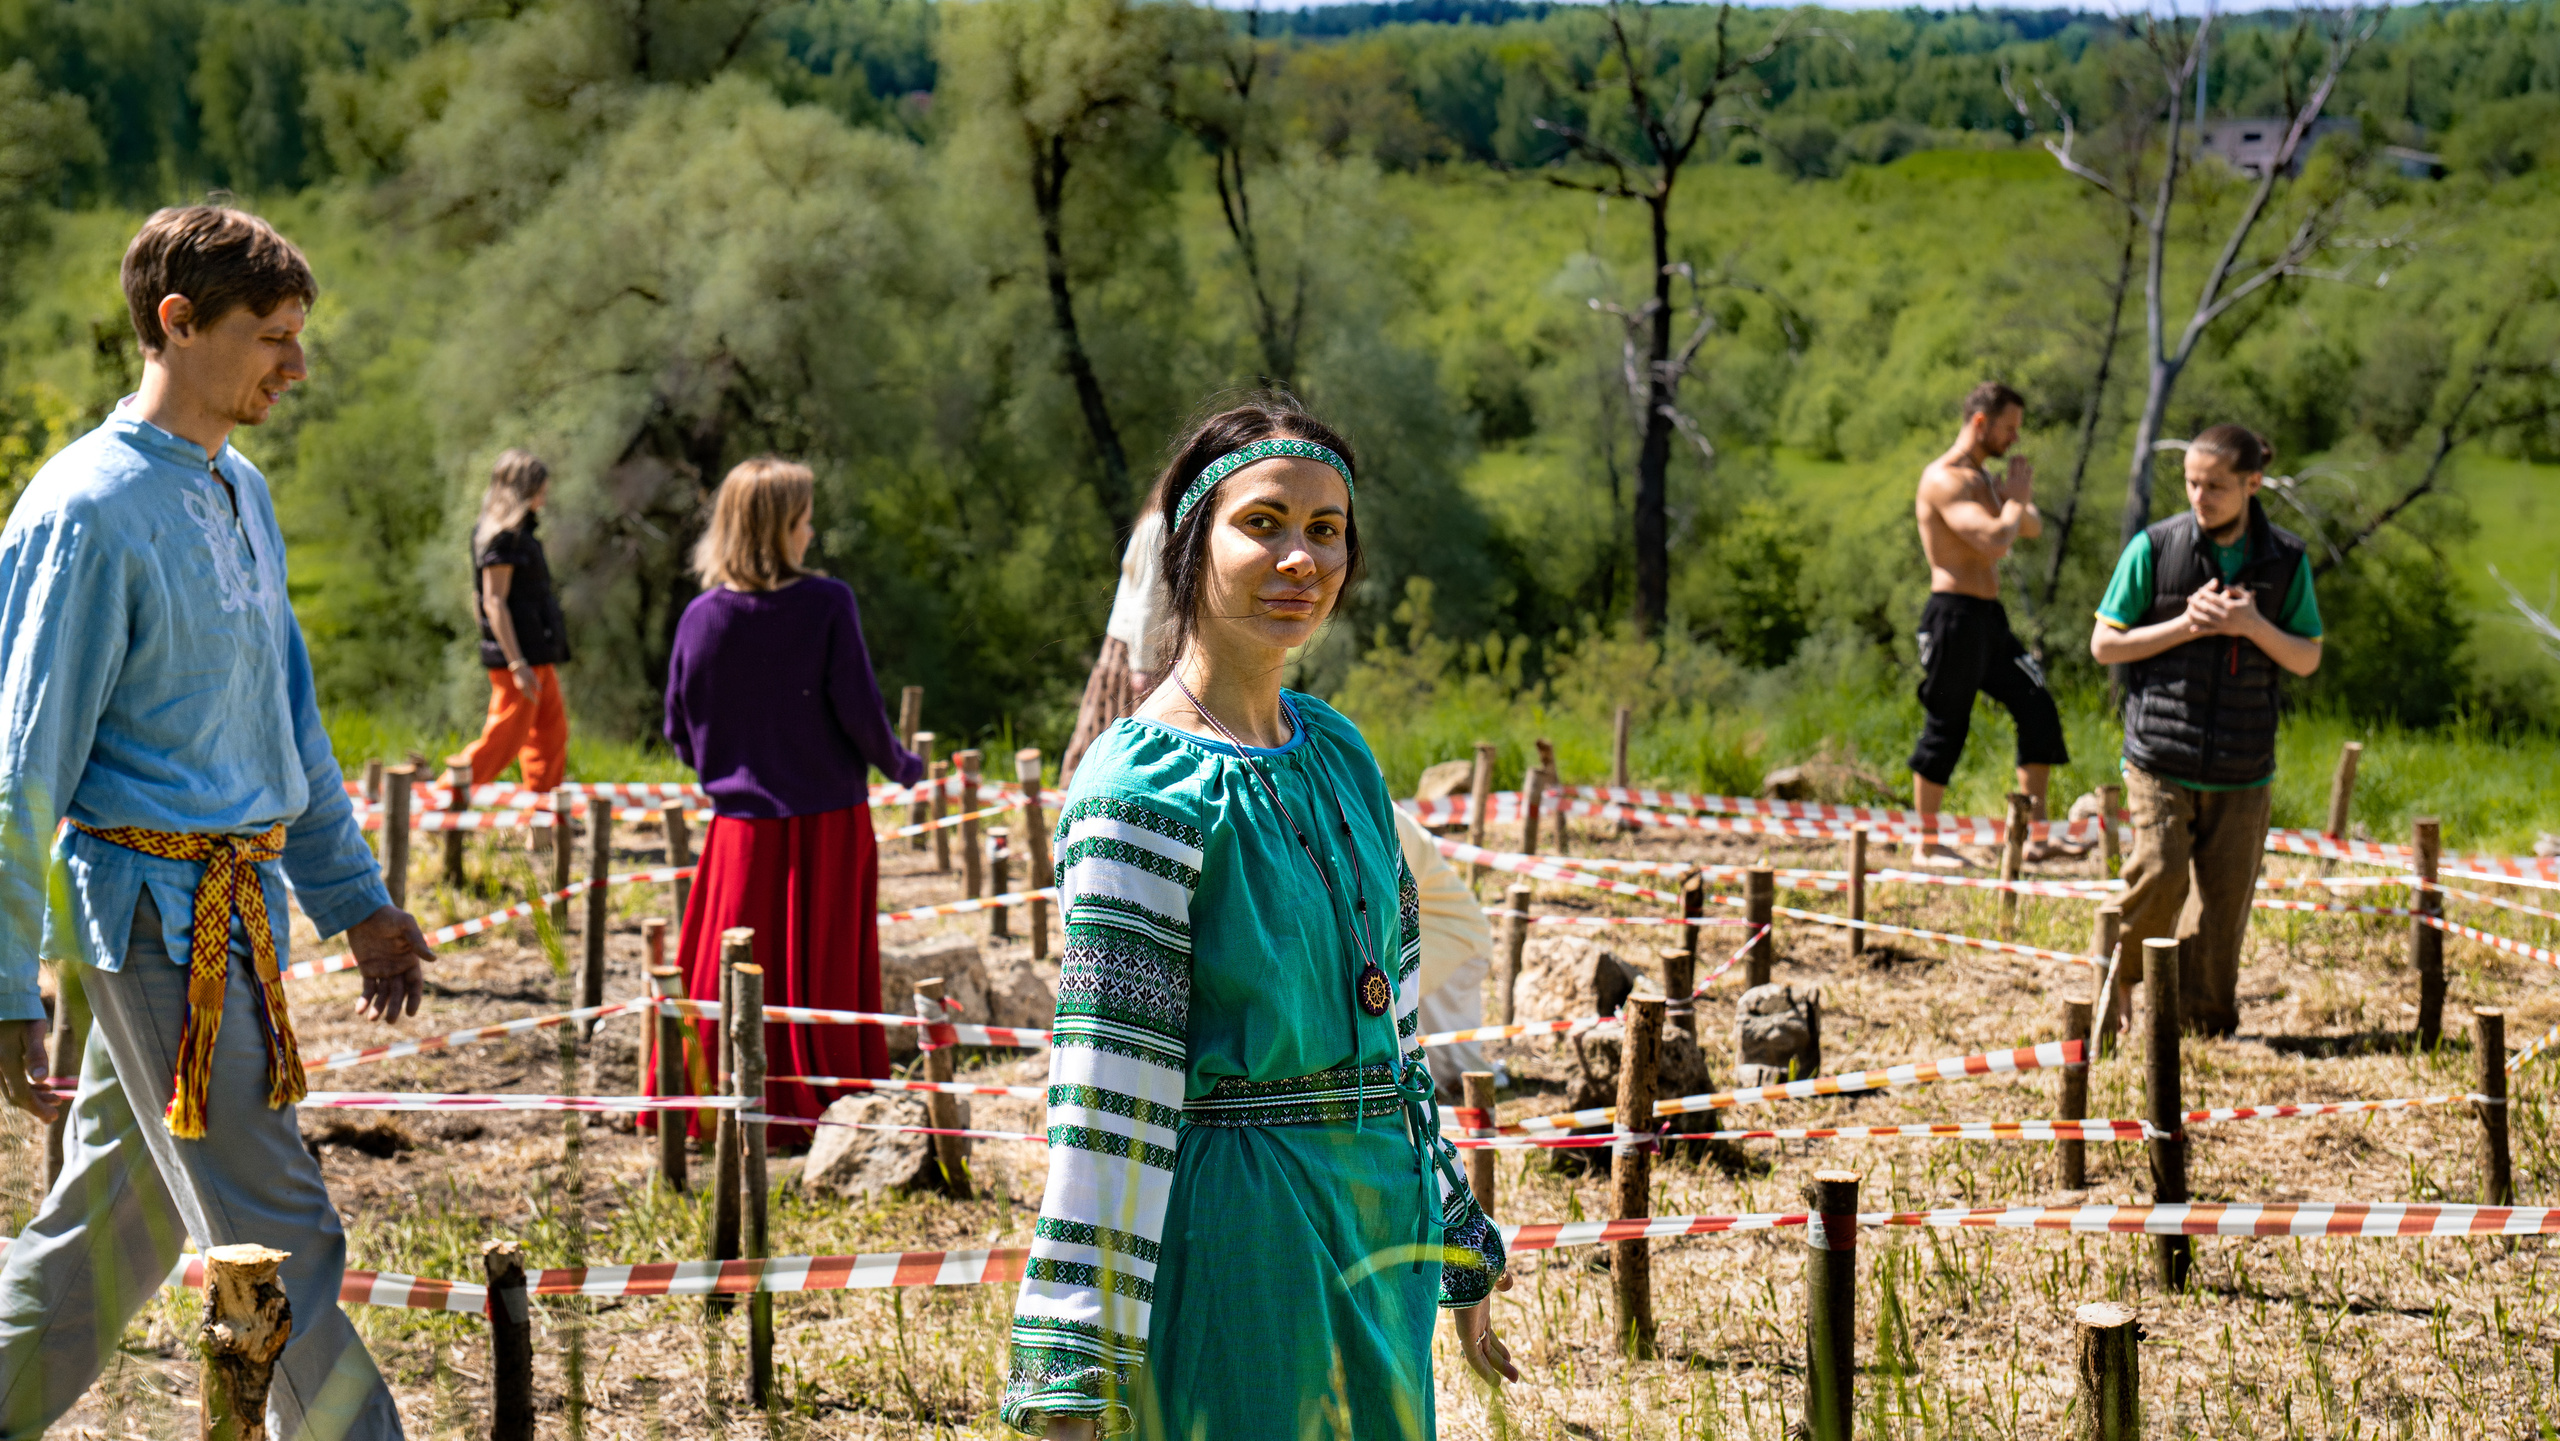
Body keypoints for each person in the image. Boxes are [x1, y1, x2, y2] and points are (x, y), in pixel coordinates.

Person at [0, 204, 435, 1438]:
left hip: (243, 916)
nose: (295, 365)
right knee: (284, 1232)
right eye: (269, 336)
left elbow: (283, 730)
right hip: (150, 928)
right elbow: (19, 770)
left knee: (106, 1238)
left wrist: (357, 902)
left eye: (299, 336)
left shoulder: (239, 488)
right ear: (176, 325)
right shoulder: (84, 510)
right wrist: (2, 982)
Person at [1002, 397, 1512, 1440]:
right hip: (1245, 1239)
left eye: (1327, 529)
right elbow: (1110, 1095)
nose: (1301, 557)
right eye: (1264, 522)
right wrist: (1074, 1376)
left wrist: (1453, 1236)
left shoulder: (1340, 755)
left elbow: (1395, 1029)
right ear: (1192, 549)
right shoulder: (1138, 789)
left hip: (1382, 1232)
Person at [657, 457, 922, 1131]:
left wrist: (728, 769)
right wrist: (902, 766)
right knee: (823, 961)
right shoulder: (827, 602)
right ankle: (823, 1095)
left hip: (740, 830)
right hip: (828, 821)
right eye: (803, 521)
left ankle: (723, 1107)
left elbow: (677, 727)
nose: (811, 533)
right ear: (778, 530)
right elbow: (860, 712)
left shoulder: (698, 617)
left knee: (736, 967)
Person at [2089, 425, 2322, 1037]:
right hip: (2159, 754)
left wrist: (2250, 625)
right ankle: (2114, 983)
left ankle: (2203, 1028)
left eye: (2215, 485)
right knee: (2161, 873)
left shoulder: (2287, 560)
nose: (2200, 495)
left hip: (2245, 764)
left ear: (2252, 483)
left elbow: (2307, 657)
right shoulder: (2154, 547)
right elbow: (2104, 645)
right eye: (2192, 482)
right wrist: (2185, 626)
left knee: (2223, 909)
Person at [1907, 381, 2074, 868]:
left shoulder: (1983, 479)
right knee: (1947, 724)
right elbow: (1995, 541)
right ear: (1980, 422)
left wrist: (2013, 499)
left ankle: (2035, 836)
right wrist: (2015, 500)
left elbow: (2032, 525)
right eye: (2009, 428)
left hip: (1989, 619)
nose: (2014, 440)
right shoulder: (1945, 479)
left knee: (2037, 705)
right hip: (1952, 618)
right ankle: (1927, 843)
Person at [453, 449, 571, 793]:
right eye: (540, 492)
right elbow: (493, 602)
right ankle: (446, 794)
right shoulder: (502, 537)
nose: (544, 500)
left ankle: (544, 817)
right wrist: (516, 662)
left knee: (550, 735)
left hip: (538, 652)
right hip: (519, 658)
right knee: (502, 742)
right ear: (522, 491)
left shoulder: (521, 533)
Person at [1061, 497, 1168, 786]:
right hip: (1135, 653)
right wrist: (1142, 666)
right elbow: (1148, 597)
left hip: (1148, 651)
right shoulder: (1161, 525)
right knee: (1113, 744)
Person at [1396, 806, 1496, 1097]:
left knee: (1457, 1072)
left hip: (1451, 943)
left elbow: (1391, 896)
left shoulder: (1382, 816)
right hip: (1436, 942)